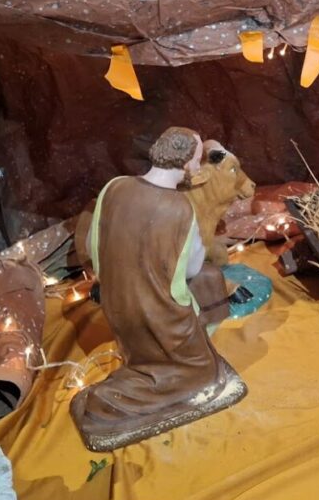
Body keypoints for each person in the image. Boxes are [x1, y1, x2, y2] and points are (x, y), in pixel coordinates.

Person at [70, 127, 247, 452]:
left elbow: (95, 245)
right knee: (203, 375)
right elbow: (190, 269)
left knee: (163, 362)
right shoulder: (179, 208)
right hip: (161, 316)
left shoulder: (115, 186)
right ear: (185, 162)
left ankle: (136, 378)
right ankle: (108, 401)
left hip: (115, 305)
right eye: (196, 159)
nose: (197, 166)